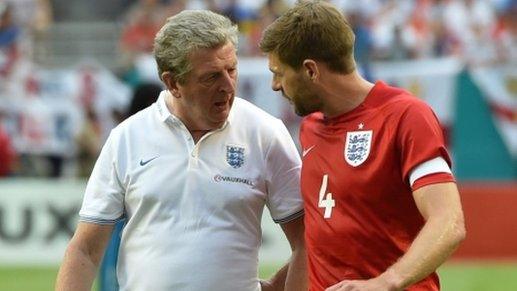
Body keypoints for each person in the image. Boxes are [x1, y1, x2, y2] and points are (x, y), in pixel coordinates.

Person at [56, 10, 306, 291]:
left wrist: (277, 286)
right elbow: (85, 250)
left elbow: (309, 241)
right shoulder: (126, 138)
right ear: (173, 82)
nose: (228, 86)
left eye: (231, 69)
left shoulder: (265, 133)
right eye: (211, 77)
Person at [259, 1, 466, 291]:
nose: (274, 85)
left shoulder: (405, 116)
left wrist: (384, 283)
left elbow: (449, 221)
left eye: (279, 72)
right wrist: (276, 284)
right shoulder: (310, 129)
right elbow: (323, 236)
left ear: (310, 70)